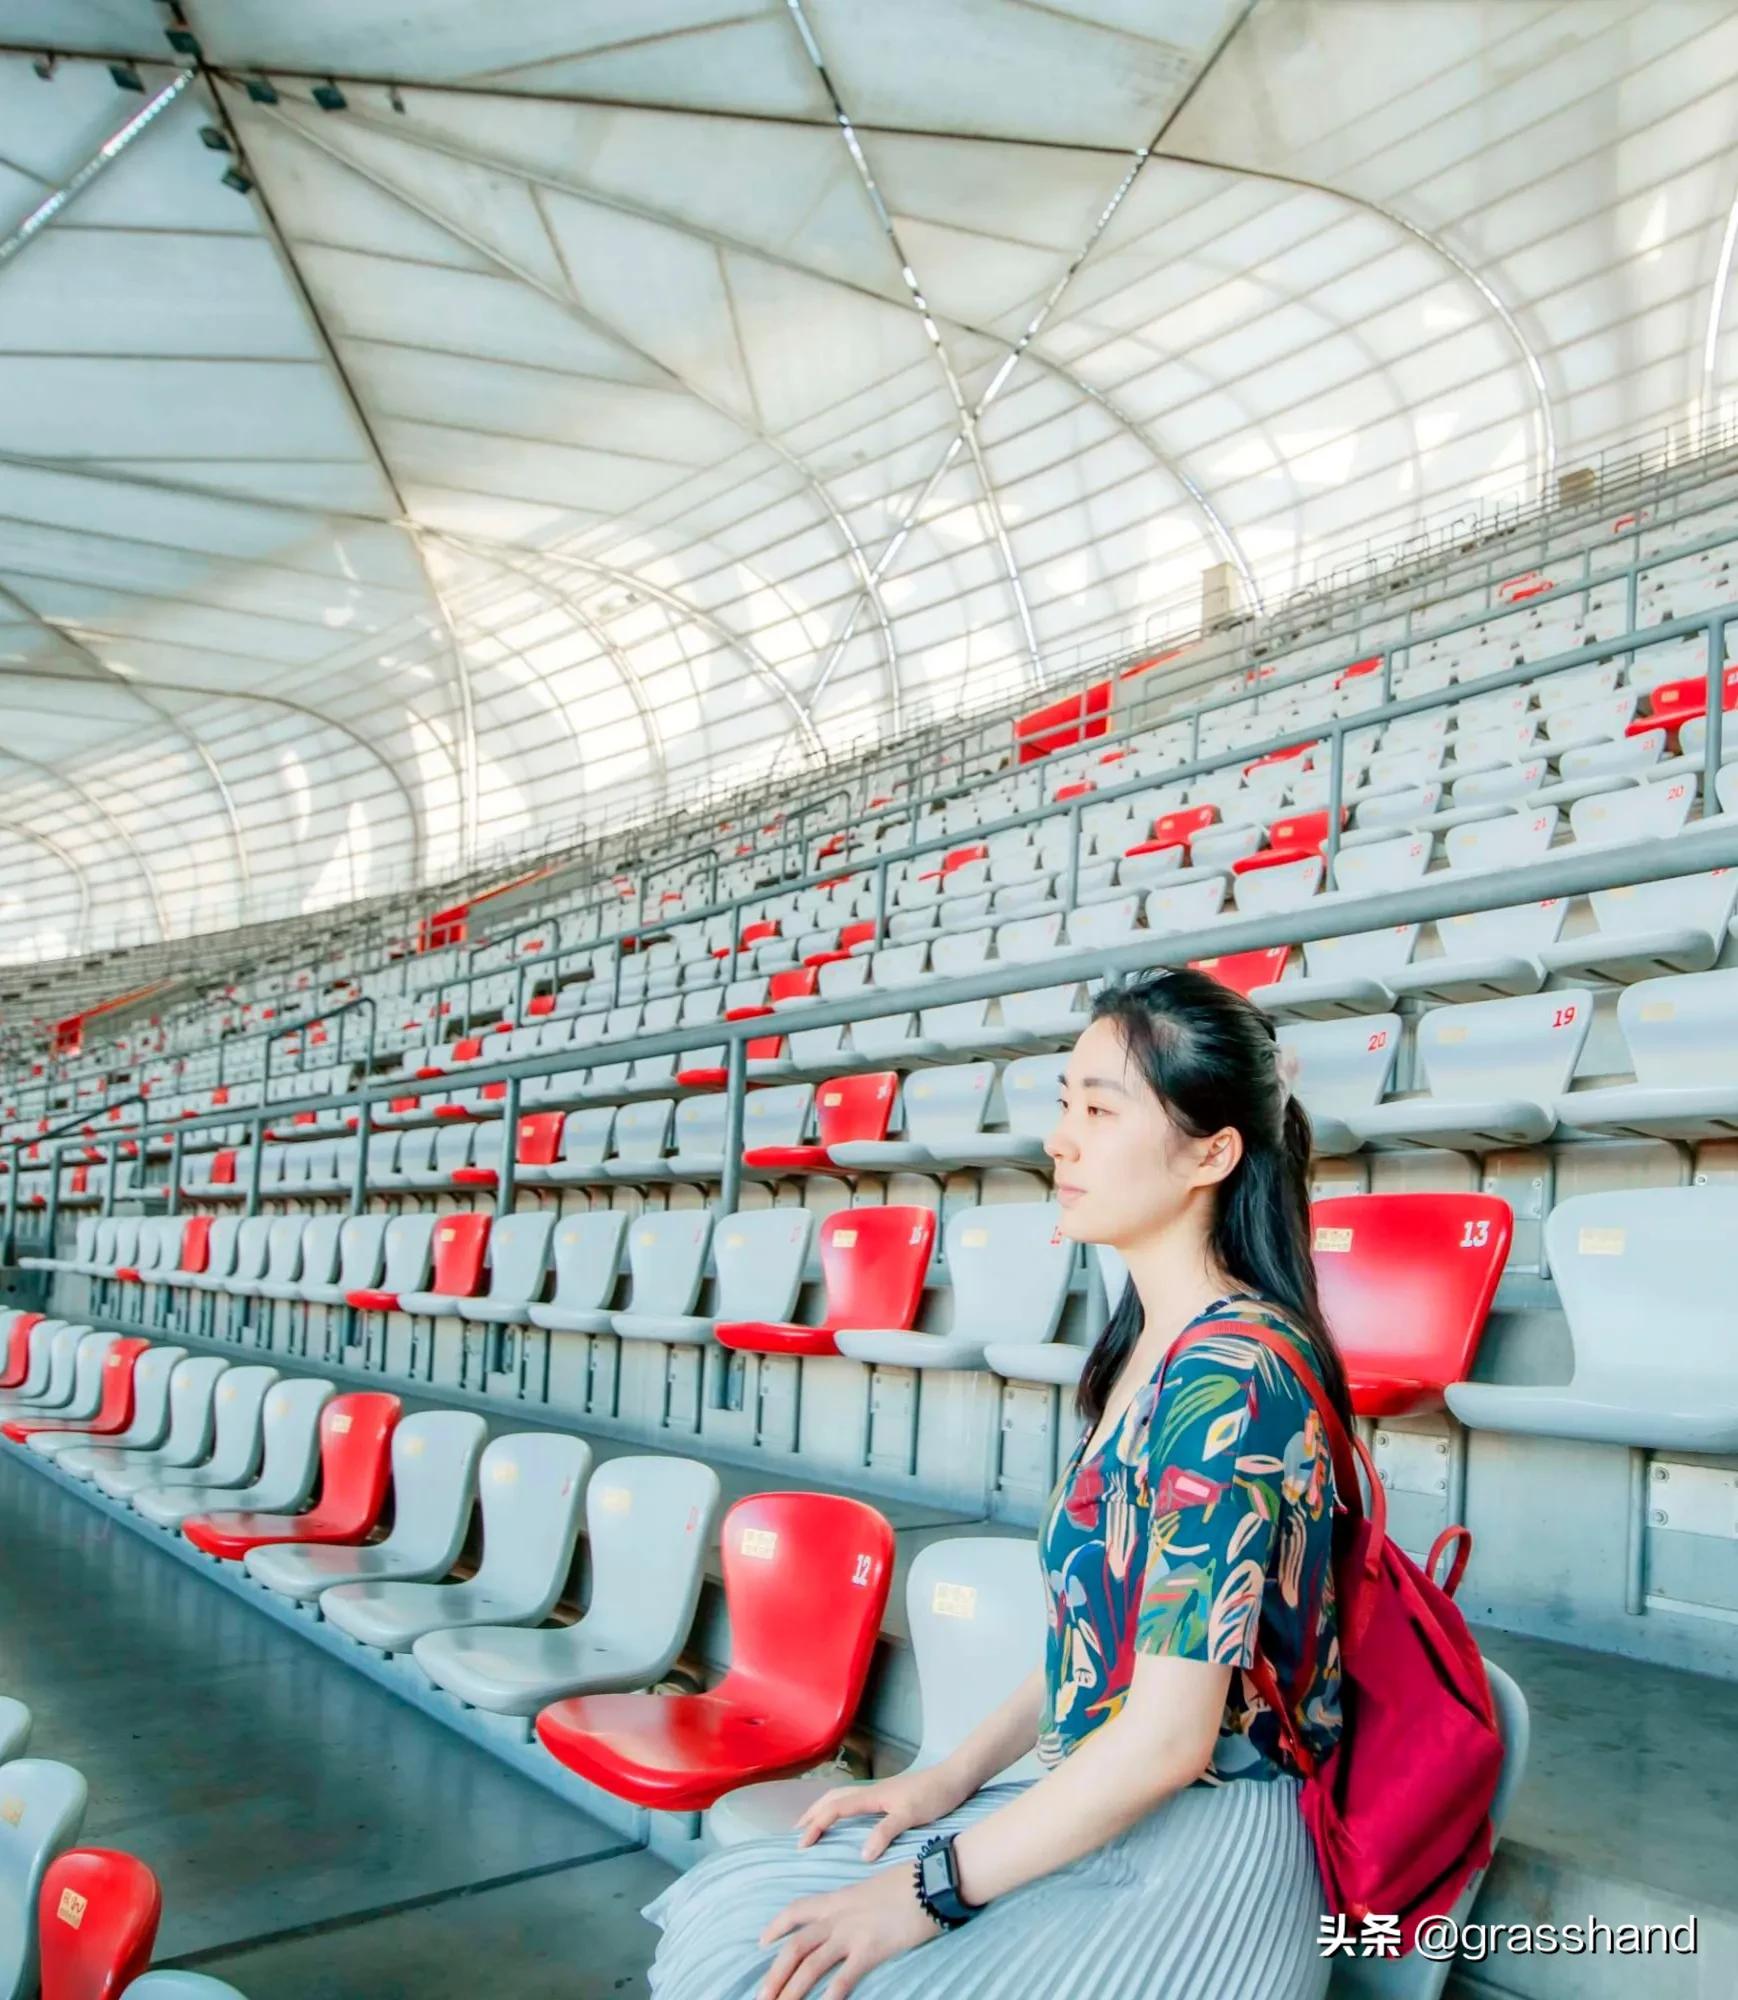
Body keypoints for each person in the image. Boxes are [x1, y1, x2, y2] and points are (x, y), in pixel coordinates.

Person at [643, 967, 1351, 2000]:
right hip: (1111, 1801)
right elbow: (1097, 1643)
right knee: (740, 1921)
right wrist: (945, 1777)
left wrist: (925, 1890)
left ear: (1211, 1152)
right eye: (1065, 1105)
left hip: (1203, 1856)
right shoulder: (1151, 1348)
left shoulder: (1231, 1375)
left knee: (782, 1968)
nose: (1060, 1140)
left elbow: (1167, 1739)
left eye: (1099, 1111)